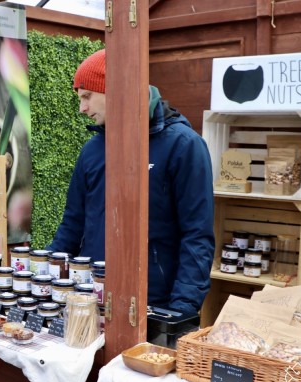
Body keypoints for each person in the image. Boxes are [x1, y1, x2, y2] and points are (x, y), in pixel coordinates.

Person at [48, 49, 215, 314]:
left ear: (113, 88)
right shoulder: (92, 151)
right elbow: (72, 223)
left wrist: (182, 310)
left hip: (154, 304)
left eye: (87, 96)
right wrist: (45, 277)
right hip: (93, 296)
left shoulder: (184, 146)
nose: (82, 108)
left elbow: (197, 235)